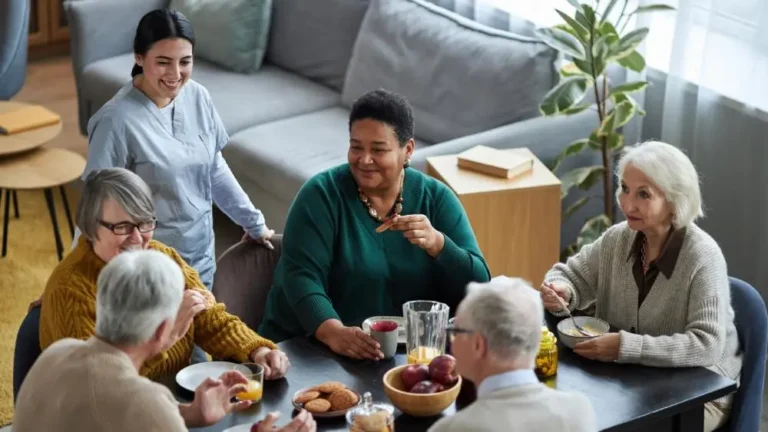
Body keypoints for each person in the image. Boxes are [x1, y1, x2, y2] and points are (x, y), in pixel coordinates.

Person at [258, 89, 491, 359]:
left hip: (412, 355)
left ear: (408, 151)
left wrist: (439, 245)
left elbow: (480, 284)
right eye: (356, 147)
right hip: (311, 348)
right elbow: (301, 277)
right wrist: (333, 332)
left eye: (378, 150)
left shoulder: (436, 199)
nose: (364, 160)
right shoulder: (320, 195)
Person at [539, 140, 742, 431]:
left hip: (699, 392)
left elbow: (706, 346)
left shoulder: (702, 257)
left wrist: (625, 347)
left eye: (643, 194)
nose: (626, 203)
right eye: (625, 188)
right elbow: (568, 275)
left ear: (674, 200)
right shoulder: (617, 239)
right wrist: (563, 291)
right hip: (634, 380)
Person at [16, 249, 316, 432]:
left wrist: (188, 414)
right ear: (164, 330)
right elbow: (130, 408)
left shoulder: (56, 353)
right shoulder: (144, 402)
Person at [79, 9, 273, 291]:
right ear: (139, 57)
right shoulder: (115, 122)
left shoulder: (198, 96)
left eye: (185, 61)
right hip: (147, 273)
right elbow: (93, 209)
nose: (175, 74)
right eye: (163, 62)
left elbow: (213, 169)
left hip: (202, 259)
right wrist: (70, 278)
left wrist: (254, 223)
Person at [39, 168, 289, 380]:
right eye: (122, 226)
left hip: (170, 403)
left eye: (145, 223)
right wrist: (166, 336)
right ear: (91, 228)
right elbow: (98, 387)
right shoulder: (72, 290)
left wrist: (256, 350)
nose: (137, 239)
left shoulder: (163, 258)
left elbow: (210, 320)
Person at [429, 277, 595, 432]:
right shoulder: (579, 411)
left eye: (456, 331)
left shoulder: (450, 428)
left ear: (478, 345)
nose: (452, 341)